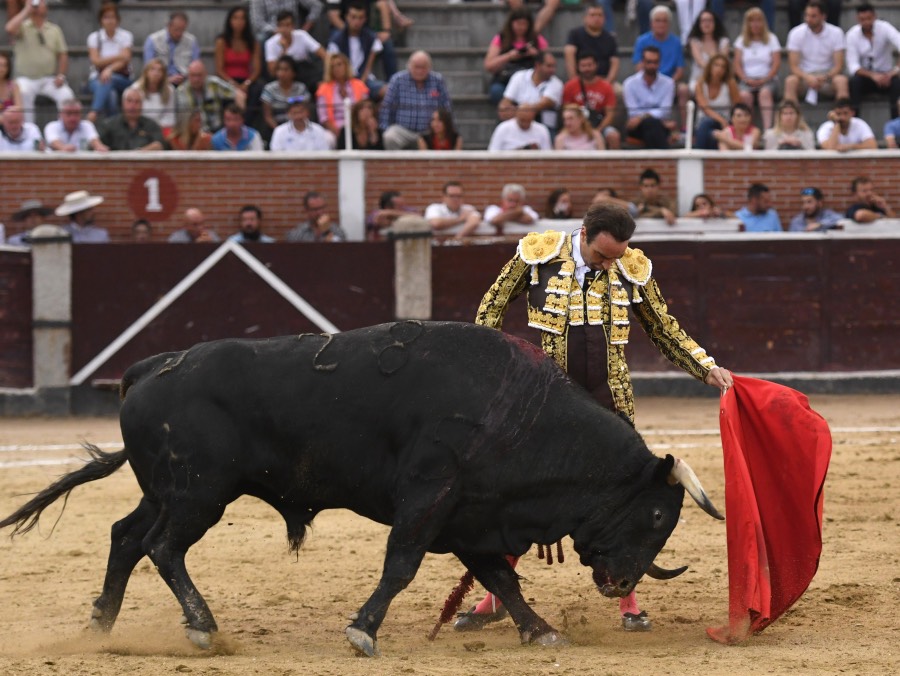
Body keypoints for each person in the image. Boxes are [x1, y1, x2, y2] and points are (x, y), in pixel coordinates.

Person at [457, 201, 732, 633]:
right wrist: (486, 368)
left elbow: (663, 326)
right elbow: (491, 308)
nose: (608, 264)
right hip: (548, 403)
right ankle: (496, 597)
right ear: (583, 233)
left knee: (624, 504)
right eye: (602, 255)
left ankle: (628, 598)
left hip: (610, 407)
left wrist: (705, 365)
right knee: (521, 496)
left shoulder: (631, 267)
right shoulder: (538, 253)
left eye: (616, 257)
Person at [5, 0, 75, 124]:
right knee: (23, 92)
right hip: (25, 79)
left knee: (67, 95)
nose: (39, 4)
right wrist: (27, 10)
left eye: (42, 2)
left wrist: (61, 75)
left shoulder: (54, 29)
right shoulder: (22, 27)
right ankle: (30, 132)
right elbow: (9, 28)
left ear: (47, 8)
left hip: (49, 79)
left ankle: (62, 133)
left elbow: (63, 55)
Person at [379, 51, 453, 151]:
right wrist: (384, 128)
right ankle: (397, 165)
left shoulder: (438, 80)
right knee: (389, 137)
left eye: (423, 67)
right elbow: (387, 107)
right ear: (409, 66)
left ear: (429, 67)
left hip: (429, 132)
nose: (419, 71)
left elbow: (446, 107)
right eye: (416, 67)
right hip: (403, 130)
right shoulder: (398, 80)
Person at [632, 6, 688, 129]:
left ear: (669, 23)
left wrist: (668, 84)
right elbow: (639, 67)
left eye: (664, 21)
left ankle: (685, 128)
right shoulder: (642, 41)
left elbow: (680, 69)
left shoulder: (676, 42)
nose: (661, 24)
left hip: (670, 82)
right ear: (651, 23)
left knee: (683, 89)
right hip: (648, 80)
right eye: (658, 20)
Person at [783, 1, 849, 106]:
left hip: (828, 78)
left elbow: (839, 65)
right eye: (807, 15)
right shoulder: (795, 33)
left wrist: (825, 77)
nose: (808, 19)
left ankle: (842, 117)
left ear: (823, 16)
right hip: (805, 77)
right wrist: (808, 77)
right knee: (790, 81)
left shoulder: (836, 33)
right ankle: (790, 119)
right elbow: (793, 66)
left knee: (841, 81)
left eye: (813, 16)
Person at [845, 3, 900, 120]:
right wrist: (873, 76)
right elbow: (853, 66)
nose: (866, 22)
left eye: (869, 19)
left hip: (887, 76)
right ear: (857, 19)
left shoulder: (885, 28)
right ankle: (855, 122)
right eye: (862, 19)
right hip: (866, 77)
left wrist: (893, 72)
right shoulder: (852, 35)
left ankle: (895, 124)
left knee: (897, 83)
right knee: (854, 82)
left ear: (875, 16)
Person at [483, 8, 549, 105]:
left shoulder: (536, 39)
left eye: (524, 24)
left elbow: (548, 62)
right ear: (511, 23)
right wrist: (508, 56)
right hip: (505, 80)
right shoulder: (501, 38)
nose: (521, 27)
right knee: (497, 92)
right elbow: (488, 65)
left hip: (529, 82)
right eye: (518, 23)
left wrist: (535, 54)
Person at [733, 7, 781, 132]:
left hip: (768, 79)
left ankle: (767, 130)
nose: (755, 24)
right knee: (744, 95)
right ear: (747, 23)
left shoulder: (772, 39)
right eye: (752, 21)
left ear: (763, 22)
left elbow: (776, 63)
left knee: (764, 93)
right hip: (747, 80)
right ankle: (748, 129)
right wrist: (745, 79)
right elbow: (737, 64)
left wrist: (764, 79)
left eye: (758, 20)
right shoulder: (740, 40)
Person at [326, 2, 386, 100]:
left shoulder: (371, 38)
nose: (356, 21)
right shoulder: (336, 40)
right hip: (343, 80)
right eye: (353, 17)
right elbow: (334, 67)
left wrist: (359, 86)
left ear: (365, 19)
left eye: (360, 18)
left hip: (365, 80)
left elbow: (368, 68)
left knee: (387, 91)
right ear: (346, 17)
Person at [215, 6, 263, 127]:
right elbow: (219, 69)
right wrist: (232, 83)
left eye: (242, 19)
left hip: (246, 80)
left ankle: (245, 124)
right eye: (235, 18)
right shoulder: (222, 41)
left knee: (258, 89)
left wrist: (246, 84)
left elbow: (256, 69)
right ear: (229, 21)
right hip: (228, 80)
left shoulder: (253, 42)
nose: (238, 22)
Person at [85, 3, 133, 123]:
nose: (110, 21)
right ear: (101, 20)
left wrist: (109, 69)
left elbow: (125, 60)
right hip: (97, 78)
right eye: (106, 17)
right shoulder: (94, 37)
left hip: (122, 78)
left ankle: (94, 112)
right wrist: (119, 56)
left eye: (112, 17)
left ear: (118, 20)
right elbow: (95, 61)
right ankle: (112, 126)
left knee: (108, 79)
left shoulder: (126, 36)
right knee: (111, 94)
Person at [561, 51, 619, 148]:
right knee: (560, 137)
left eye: (589, 65)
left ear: (596, 65)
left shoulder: (606, 86)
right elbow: (566, 110)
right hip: (575, 126)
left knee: (613, 135)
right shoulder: (570, 86)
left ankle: (614, 163)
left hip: (599, 125)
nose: (587, 68)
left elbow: (610, 115)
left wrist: (598, 130)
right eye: (583, 66)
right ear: (578, 67)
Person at [623, 46, 676, 149]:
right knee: (652, 124)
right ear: (642, 62)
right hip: (637, 127)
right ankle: (665, 159)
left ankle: (657, 161)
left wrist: (643, 116)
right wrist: (648, 117)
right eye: (649, 62)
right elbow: (633, 112)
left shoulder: (668, 83)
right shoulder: (629, 84)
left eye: (655, 62)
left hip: (660, 125)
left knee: (652, 125)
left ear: (660, 63)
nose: (652, 65)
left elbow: (665, 110)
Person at [264, 9, 326, 92]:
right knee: (285, 70)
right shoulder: (270, 43)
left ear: (293, 26)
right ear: (277, 27)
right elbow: (272, 72)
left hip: (305, 72)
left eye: (288, 25)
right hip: (285, 76)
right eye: (281, 25)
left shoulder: (302, 35)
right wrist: (284, 50)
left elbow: (324, 54)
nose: (285, 29)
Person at [501, 50, 563, 132]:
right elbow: (504, 104)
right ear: (537, 65)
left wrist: (517, 111)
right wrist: (506, 110)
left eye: (554, 66)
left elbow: (541, 105)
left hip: (542, 121)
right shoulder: (519, 76)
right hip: (517, 120)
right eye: (549, 66)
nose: (553, 70)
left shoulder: (556, 84)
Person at [176, 60, 244, 133]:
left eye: (199, 75)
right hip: (193, 133)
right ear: (188, 75)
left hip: (216, 130)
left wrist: (239, 119)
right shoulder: (181, 91)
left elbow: (239, 94)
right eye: (193, 75)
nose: (196, 79)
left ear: (205, 74)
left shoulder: (214, 84)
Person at [693, 54, 740, 150]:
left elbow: (737, 105)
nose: (719, 69)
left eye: (723, 67)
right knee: (709, 131)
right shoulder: (700, 83)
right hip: (704, 122)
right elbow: (704, 108)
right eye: (716, 65)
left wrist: (727, 123)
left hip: (724, 122)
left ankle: (697, 156)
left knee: (709, 130)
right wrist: (721, 120)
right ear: (710, 66)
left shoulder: (730, 83)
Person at [316, 52, 367, 138]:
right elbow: (323, 117)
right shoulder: (323, 89)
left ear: (346, 66)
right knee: (327, 138)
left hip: (358, 127)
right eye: (333, 66)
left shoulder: (359, 85)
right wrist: (339, 134)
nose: (336, 68)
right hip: (335, 129)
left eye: (339, 64)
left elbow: (366, 109)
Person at [563, 5, 618, 85]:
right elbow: (569, 55)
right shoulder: (575, 34)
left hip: (604, 81)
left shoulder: (610, 38)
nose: (596, 18)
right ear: (584, 18)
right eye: (592, 15)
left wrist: (607, 83)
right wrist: (575, 81)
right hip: (580, 80)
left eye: (600, 15)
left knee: (620, 92)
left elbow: (615, 63)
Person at [142, 11, 200, 87]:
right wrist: (166, 80)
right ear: (168, 26)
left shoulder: (192, 41)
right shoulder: (153, 40)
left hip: (185, 82)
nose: (179, 33)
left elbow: (197, 66)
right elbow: (148, 68)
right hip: (160, 83)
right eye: (176, 29)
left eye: (182, 30)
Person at [99, 89, 166, 151]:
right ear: (122, 103)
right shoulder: (109, 125)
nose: (133, 106)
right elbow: (97, 146)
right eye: (129, 101)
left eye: (137, 102)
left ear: (142, 105)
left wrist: (141, 153)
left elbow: (160, 144)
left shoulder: (151, 125)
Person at [262, 56, 309, 138]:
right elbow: (268, 116)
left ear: (294, 72)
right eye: (279, 69)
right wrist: (279, 131)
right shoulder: (269, 89)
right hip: (276, 127)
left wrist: (298, 129)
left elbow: (305, 110)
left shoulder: (301, 88)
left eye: (286, 70)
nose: (281, 73)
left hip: (299, 124)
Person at [128, 58, 176, 136]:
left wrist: (156, 128)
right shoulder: (135, 89)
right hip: (140, 127)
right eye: (152, 69)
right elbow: (132, 115)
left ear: (164, 74)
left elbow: (170, 117)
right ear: (146, 72)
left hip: (161, 128)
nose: (156, 73)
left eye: (160, 70)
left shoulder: (170, 90)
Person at [270, 95, 334, 151]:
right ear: (288, 114)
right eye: (294, 113)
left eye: (301, 112)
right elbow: (276, 154)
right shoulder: (279, 131)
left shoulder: (318, 130)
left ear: (307, 112)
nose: (298, 116)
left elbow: (324, 153)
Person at [686, 9, 730, 90]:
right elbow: (700, 62)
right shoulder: (694, 41)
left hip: (720, 80)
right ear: (699, 24)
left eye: (710, 20)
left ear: (715, 23)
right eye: (703, 21)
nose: (707, 23)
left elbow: (722, 63)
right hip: (699, 79)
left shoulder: (724, 42)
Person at [44, 98, 109, 152]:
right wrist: (63, 147)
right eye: (69, 113)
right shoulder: (51, 126)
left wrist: (99, 147)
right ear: (60, 114)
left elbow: (94, 140)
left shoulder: (87, 125)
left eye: (76, 113)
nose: (73, 118)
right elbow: (54, 142)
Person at [487, 102, 551, 151]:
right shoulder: (503, 128)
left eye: (528, 121)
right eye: (523, 120)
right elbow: (492, 152)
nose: (525, 123)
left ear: (533, 117)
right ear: (516, 115)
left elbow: (548, 155)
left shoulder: (542, 129)